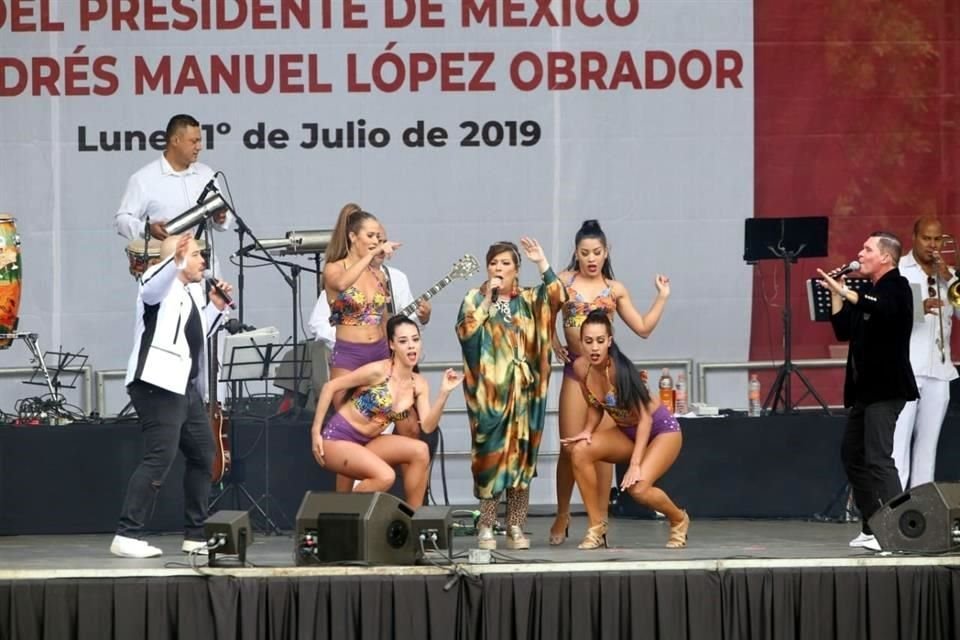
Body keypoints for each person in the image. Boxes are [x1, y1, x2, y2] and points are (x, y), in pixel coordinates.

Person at [109, 234, 233, 558]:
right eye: (195, 255)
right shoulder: (157, 287)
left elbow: (192, 336)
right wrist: (173, 260)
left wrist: (216, 309)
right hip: (156, 383)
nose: (202, 260)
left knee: (204, 454)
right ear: (176, 259)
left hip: (183, 387)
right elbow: (150, 283)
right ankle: (127, 534)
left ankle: (194, 534)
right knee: (160, 456)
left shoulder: (189, 292)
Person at [549, 219, 670, 545]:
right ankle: (562, 513)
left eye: (597, 252)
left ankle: (597, 522)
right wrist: (551, 339)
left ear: (606, 252)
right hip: (576, 373)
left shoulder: (614, 289)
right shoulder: (563, 282)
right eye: (585, 252)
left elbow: (642, 328)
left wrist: (662, 297)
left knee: (599, 452)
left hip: (604, 377)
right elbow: (541, 314)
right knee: (569, 447)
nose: (591, 258)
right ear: (576, 252)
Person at [456, 237, 566, 550]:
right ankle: (487, 524)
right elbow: (466, 333)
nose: (499, 268)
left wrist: (541, 261)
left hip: (526, 394)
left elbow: (559, 297)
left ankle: (516, 525)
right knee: (489, 458)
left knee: (522, 458)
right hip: (491, 394)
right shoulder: (475, 299)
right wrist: (488, 302)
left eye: (506, 263)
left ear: (516, 269)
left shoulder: (531, 299)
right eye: (494, 263)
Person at [818, 231, 919, 552]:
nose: (860, 254)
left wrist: (848, 292)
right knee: (853, 455)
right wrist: (836, 293)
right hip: (865, 391)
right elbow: (844, 329)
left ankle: (900, 530)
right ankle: (873, 525)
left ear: (886, 258)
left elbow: (882, 308)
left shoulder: (897, 287)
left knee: (879, 458)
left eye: (867, 249)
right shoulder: (870, 292)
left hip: (888, 387)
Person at [561, 310, 687, 549]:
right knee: (579, 451)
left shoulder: (619, 371)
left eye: (600, 341)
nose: (594, 348)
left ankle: (679, 519)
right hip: (627, 431)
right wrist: (588, 430)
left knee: (639, 490)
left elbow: (646, 420)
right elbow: (596, 405)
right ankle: (596, 525)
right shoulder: (580, 368)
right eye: (588, 342)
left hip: (661, 431)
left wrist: (635, 464)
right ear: (581, 342)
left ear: (610, 340)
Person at [310, 316, 462, 508]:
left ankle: (412, 520)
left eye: (415, 339)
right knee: (386, 476)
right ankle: (344, 511)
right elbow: (330, 387)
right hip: (337, 440)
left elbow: (428, 426)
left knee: (420, 450)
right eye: (403, 341)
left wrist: (444, 393)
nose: (411, 346)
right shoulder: (379, 371)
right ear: (392, 344)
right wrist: (315, 432)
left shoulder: (418, 384)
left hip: (369, 441)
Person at [893, 217, 959, 490]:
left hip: (940, 369)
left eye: (937, 239)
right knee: (898, 444)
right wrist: (918, 307)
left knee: (928, 446)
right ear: (914, 237)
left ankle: (920, 511)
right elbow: (888, 313)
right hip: (907, 367)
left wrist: (949, 278)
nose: (932, 245)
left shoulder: (948, 274)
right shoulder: (899, 269)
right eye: (926, 238)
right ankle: (892, 506)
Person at [114, 114, 233, 243]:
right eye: (194, 141)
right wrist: (147, 229)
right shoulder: (143, 178)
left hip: (204, 261)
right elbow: (122, 220)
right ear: (175, 141)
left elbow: (223, 221)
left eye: (200, 141)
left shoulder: (207, 174)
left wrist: (220, 217)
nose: (199, 147)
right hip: (167, 261)